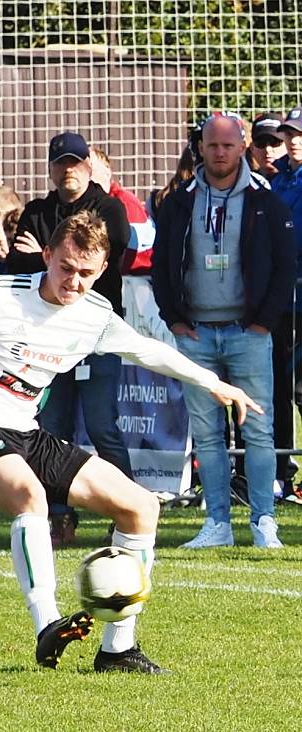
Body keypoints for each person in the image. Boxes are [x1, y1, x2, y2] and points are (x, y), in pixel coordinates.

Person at [0, 210, 261, 673]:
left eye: (86, 272)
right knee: (29, 497)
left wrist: (215, 383)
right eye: (65, 267)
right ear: (46, 256)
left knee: (141, 507)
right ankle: (47, 622)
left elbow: (150, 351)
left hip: (27, 432)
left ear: (103, 269)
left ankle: (118, 649)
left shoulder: (95, 316)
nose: (73, 281)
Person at [152, 113, 296, 548]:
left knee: (257, 428)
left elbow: (285, 265)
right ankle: (217, 523)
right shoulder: (179, 200)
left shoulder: (265, 199)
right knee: (208, 433)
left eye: (228, 146)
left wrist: (261, 323)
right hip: (196, 332)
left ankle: (263, 520)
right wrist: (173, 318)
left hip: (247, 333)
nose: (219, 153)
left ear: (243, 147)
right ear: (201, 148)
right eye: (212, 145)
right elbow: (162, 263)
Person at [8, 132, 132, 547]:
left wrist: (41, 254)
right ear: (50, 168)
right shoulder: (38, 210)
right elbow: (16, 263)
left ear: (88, 166)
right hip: (45, 334)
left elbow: (111, 256)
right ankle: (60, 517)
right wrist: (35, 257)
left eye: (75, 163)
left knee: (102, 425)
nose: (68, 171)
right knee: (53, 427)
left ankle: (127, 508)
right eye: (60, 163)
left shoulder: (109, 208)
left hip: (94, 333)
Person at [270, 106, 302, 500]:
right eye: (289, 134)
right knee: (278, 390)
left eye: (299, 134)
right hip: (280, 303)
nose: (293, 141)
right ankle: (280, 474)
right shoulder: (277, 184)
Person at [90, 146, 156, 276]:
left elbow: (129, 250)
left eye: (91, 168)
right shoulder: (98, 202)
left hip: (136, 278)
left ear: (107, 171)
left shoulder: (124, 202)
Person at [249, 113, 286, 180]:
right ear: (252, 148)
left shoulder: (298, 183)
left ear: (287, 144)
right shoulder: (244, 183)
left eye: (274, 142)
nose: (267, 149)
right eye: (261, 142)